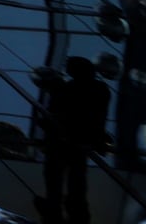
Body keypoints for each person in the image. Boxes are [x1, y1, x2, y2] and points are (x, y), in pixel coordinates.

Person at [39, 56, 110, 224]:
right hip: (80, 142)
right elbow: (97, 117)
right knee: (76, 182)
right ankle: (73, 213)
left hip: (65, 142)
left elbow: (56, 115)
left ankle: (55, 211)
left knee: (57, 179)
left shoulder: (69, 89)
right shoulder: (100, 89)